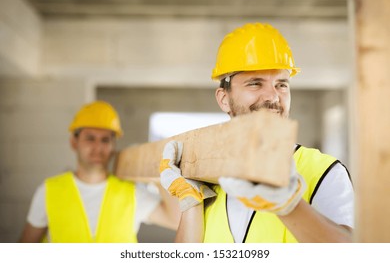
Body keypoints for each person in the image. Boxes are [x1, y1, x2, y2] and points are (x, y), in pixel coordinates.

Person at [159, 23, 354, 243]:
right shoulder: (207, 176)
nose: (272, 96)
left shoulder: (323, 171)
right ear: (224, 99)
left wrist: (289, 205)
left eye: (281, 84)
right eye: (255, 83)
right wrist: (191, 202)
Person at [19, 100, 179, 243]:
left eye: (105, 140)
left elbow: (175, 220)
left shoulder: (131, 193)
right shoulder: (48, 192)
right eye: (90, 138)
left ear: (113, 145)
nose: (98, 147)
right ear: (74, 142)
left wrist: (159, 174)